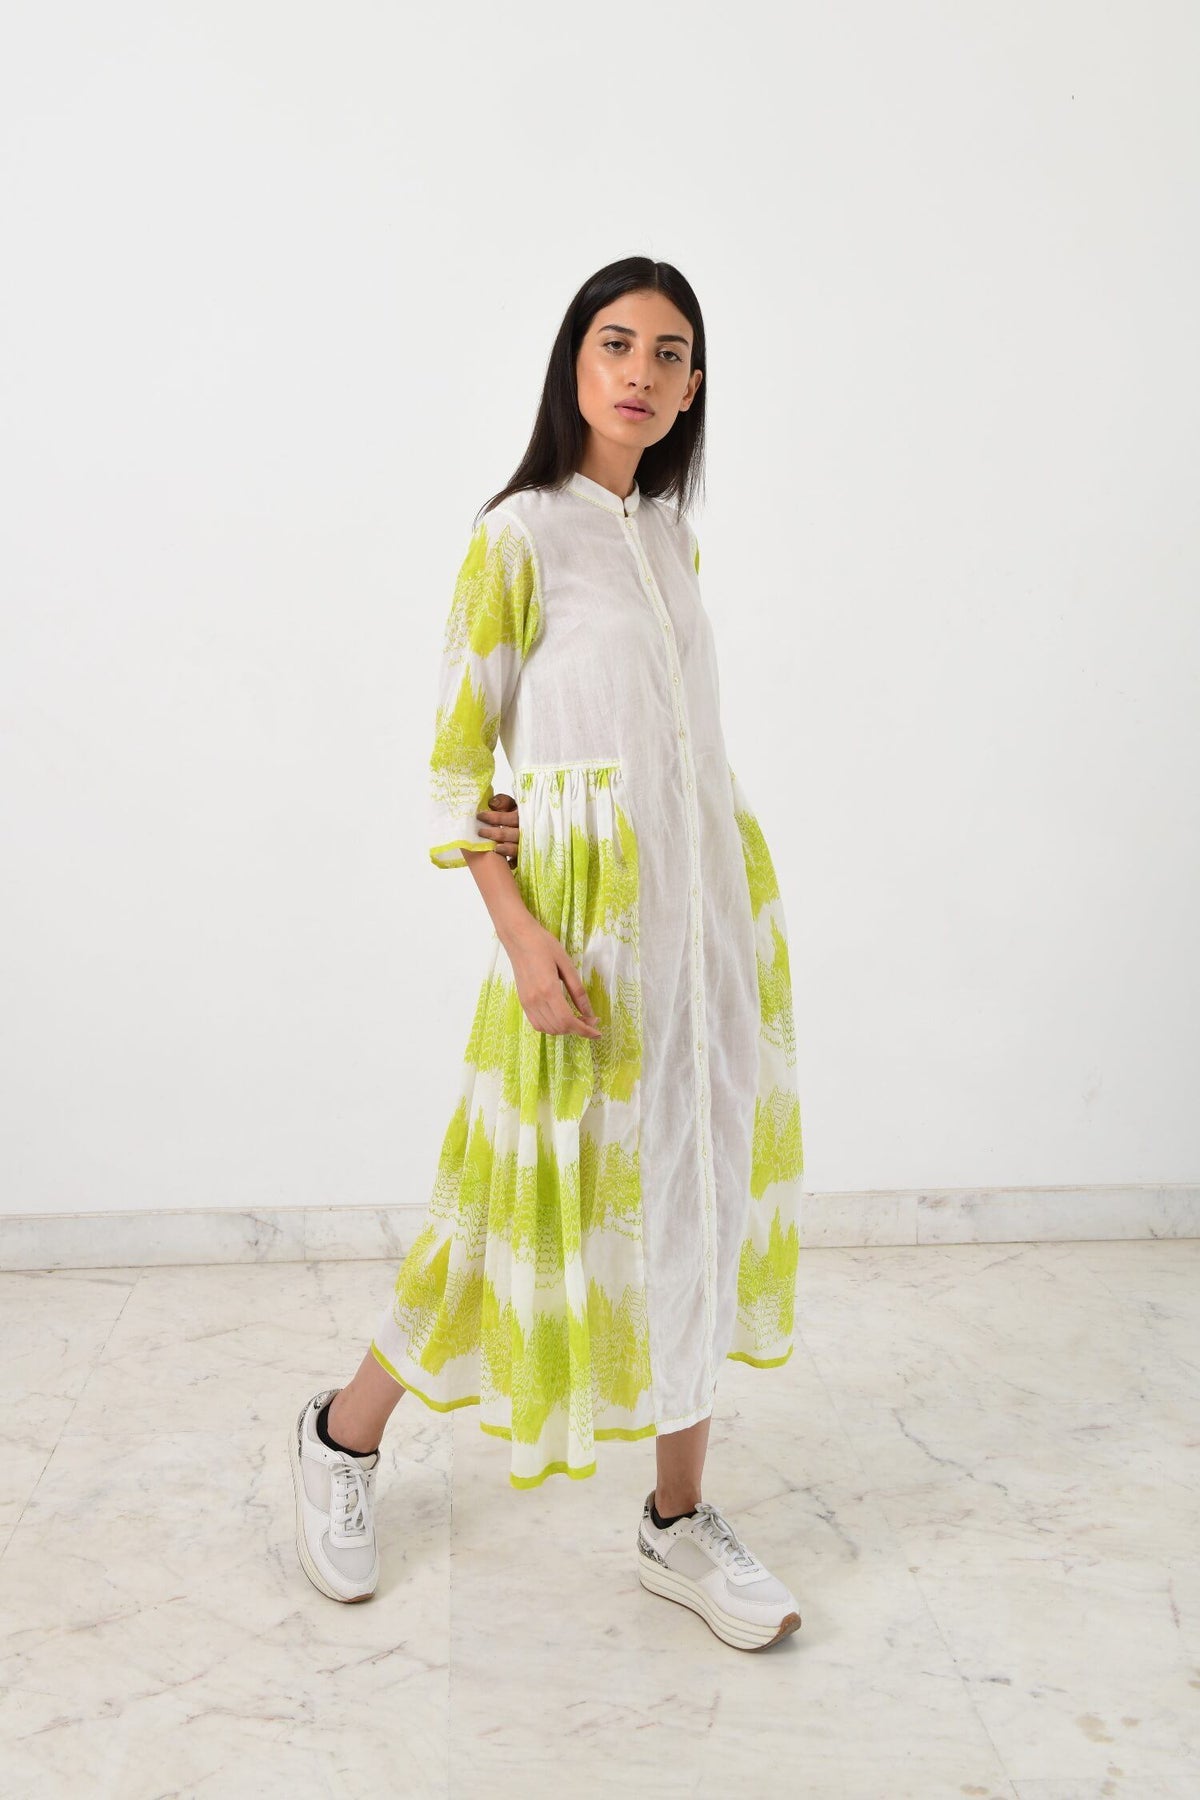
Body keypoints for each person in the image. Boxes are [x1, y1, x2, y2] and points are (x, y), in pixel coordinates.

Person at [289, 257, 805, 1651]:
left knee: (695, 1196)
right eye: (616, 342)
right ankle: (341, 1439)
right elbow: (461, 771)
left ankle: (678, 1520)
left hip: (707, 928)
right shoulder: (516, 538)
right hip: (578, 937)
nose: (642, 371)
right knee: (502, 1200)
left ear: (694, 389)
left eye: (671, 353)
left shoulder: (673, 541)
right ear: (575, 361)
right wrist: (521, 935)